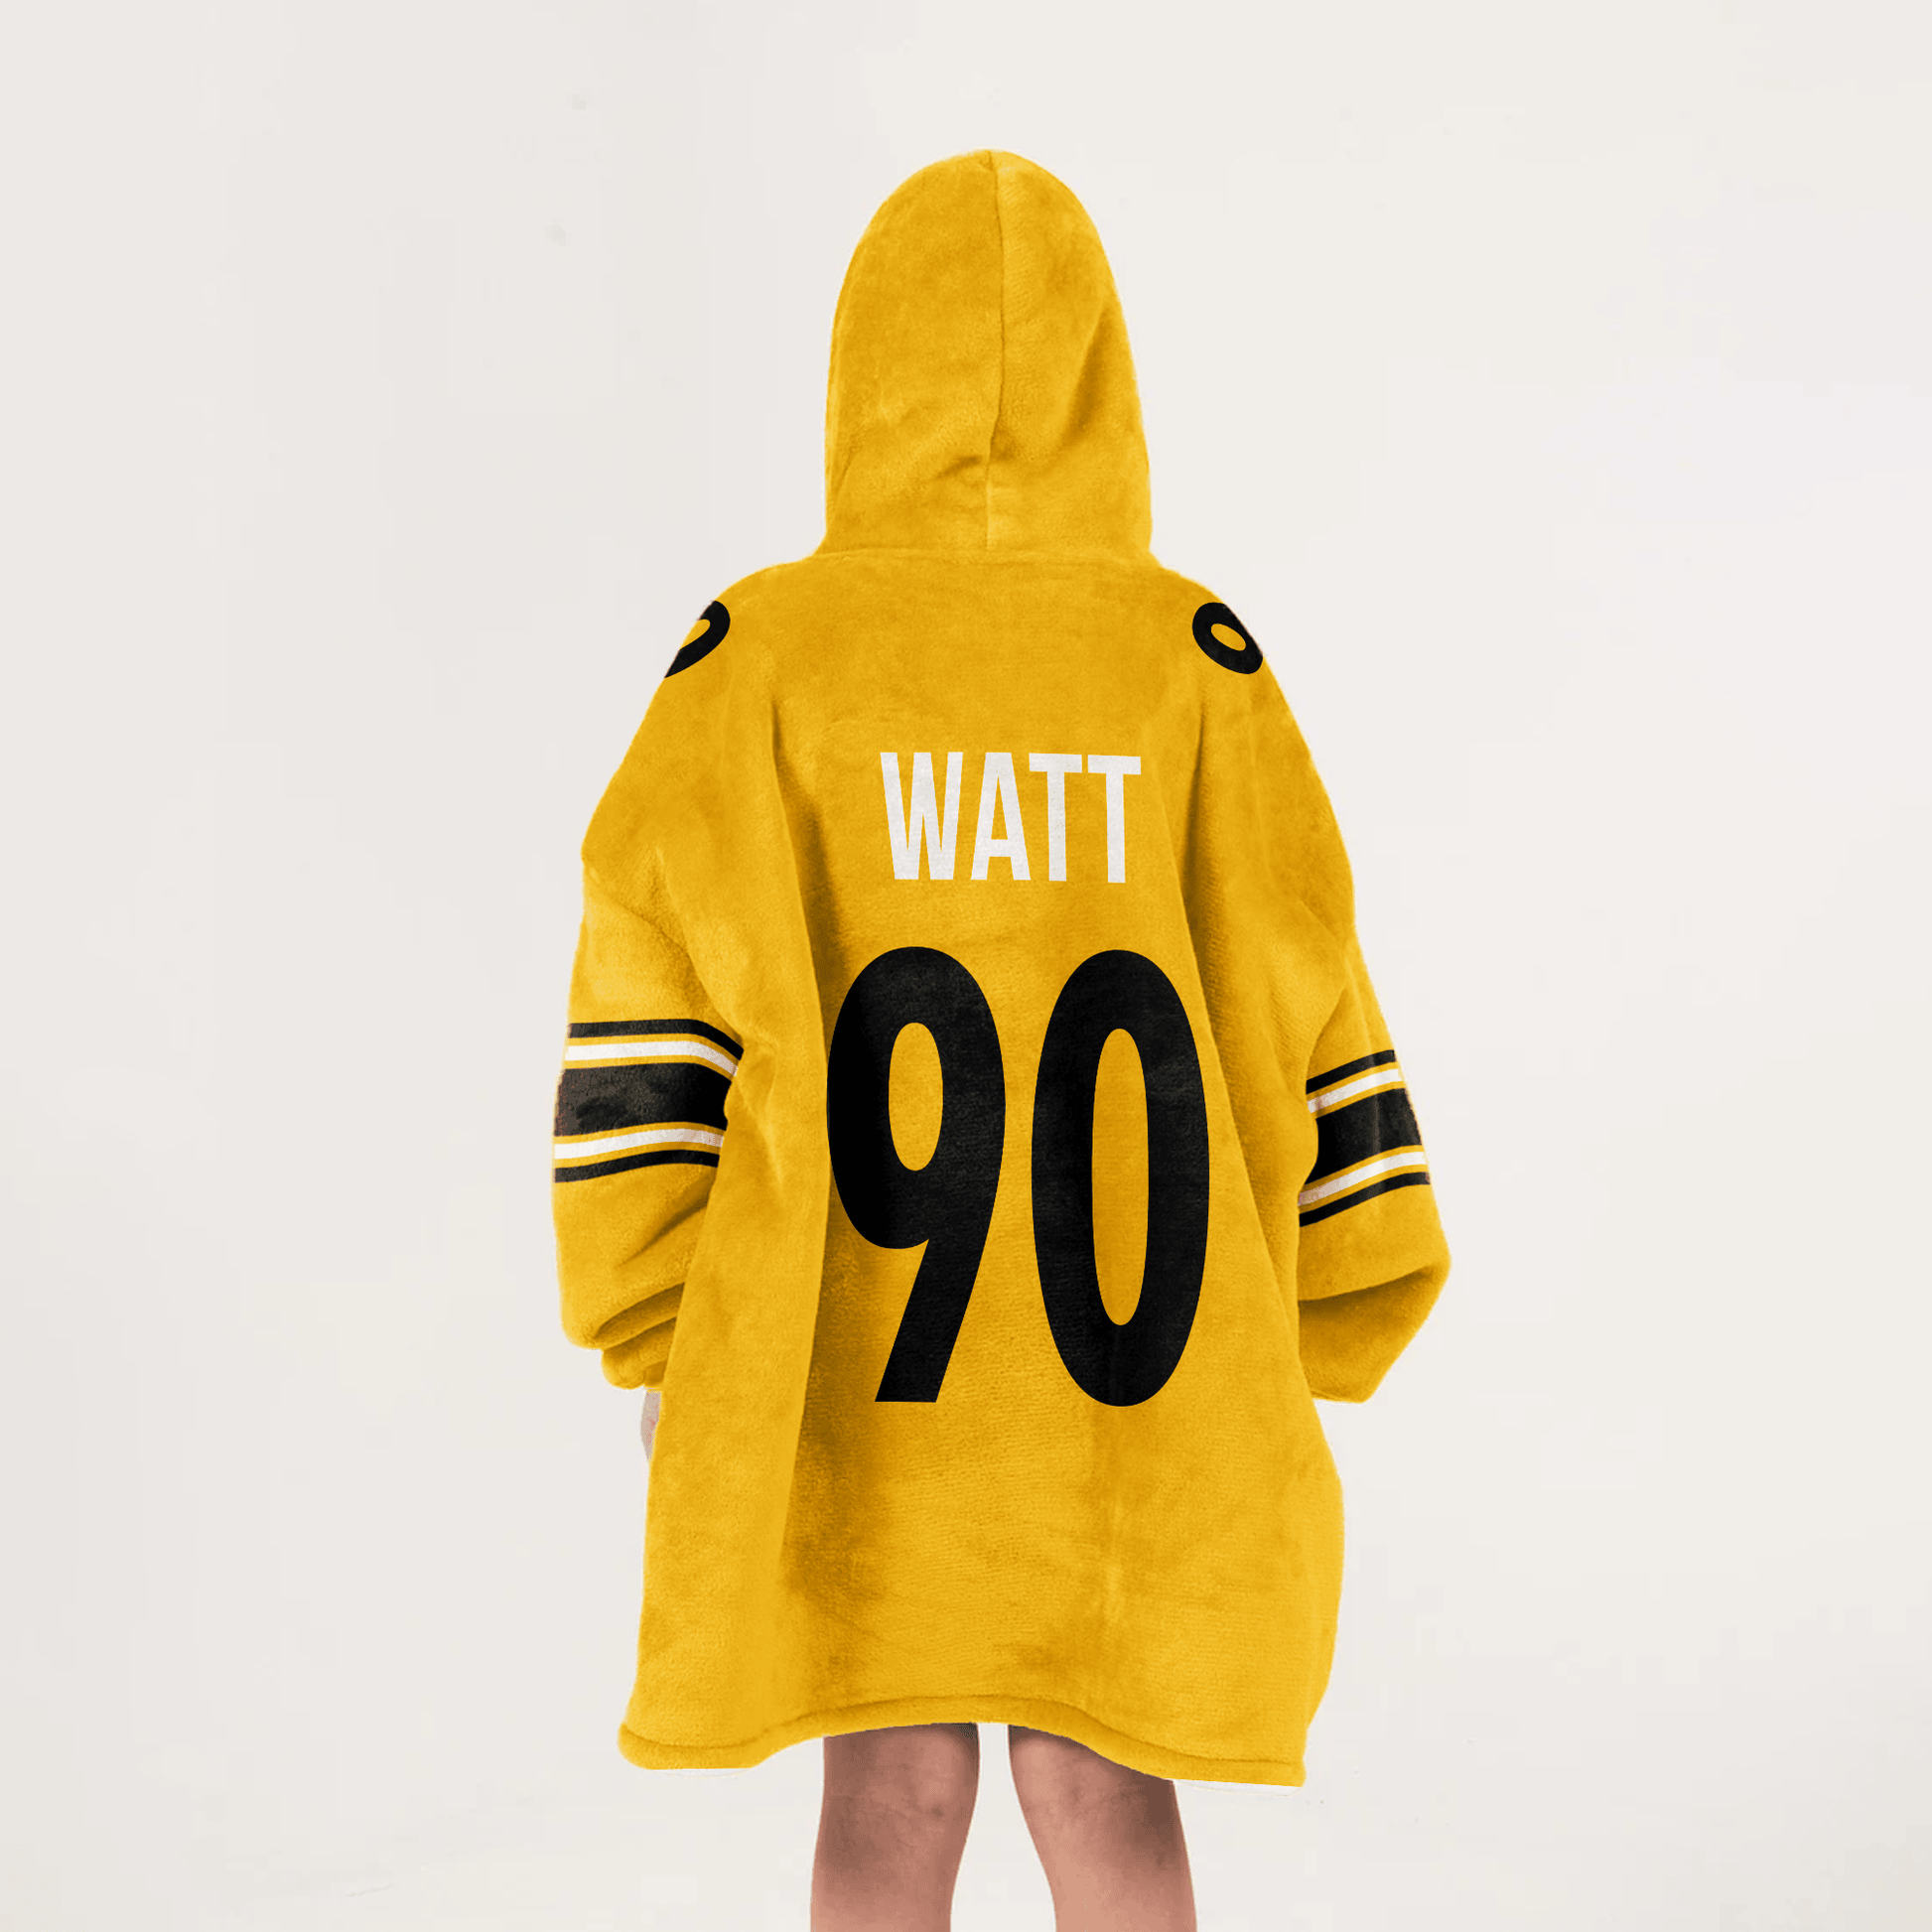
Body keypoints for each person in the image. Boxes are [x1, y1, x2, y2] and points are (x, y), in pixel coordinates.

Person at [553, 149, 1450, 1932]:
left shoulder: (756, 656)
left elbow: (644, 978)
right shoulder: (1192, 658)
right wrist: (1337, 1286)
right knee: (1103, 1776)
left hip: (844, 1353)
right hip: (1138, 1371)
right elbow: (1302, 964)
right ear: (1103, 373)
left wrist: (658, 1316)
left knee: (884, 1784)